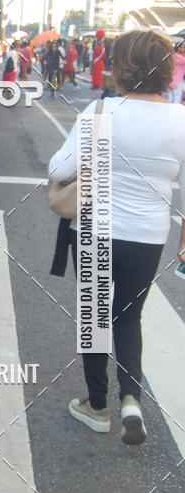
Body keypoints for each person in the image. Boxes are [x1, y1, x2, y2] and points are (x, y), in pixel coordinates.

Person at [49, 29, 185, 445]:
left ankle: (97, 406)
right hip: (148, 235)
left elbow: (59, 168)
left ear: (121, 67)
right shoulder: (180, 119)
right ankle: (131, 399)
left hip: (95, 228)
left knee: (94, 317)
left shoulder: (102, 111)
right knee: (128, 316)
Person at [167, 38, 185, 104]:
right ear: (178, 48)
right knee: (177, 97)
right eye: (183, 47)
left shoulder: (173, 56)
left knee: (171, 97)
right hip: (177, 80)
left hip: (172, 79)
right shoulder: (178, 57)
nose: (184, 49)